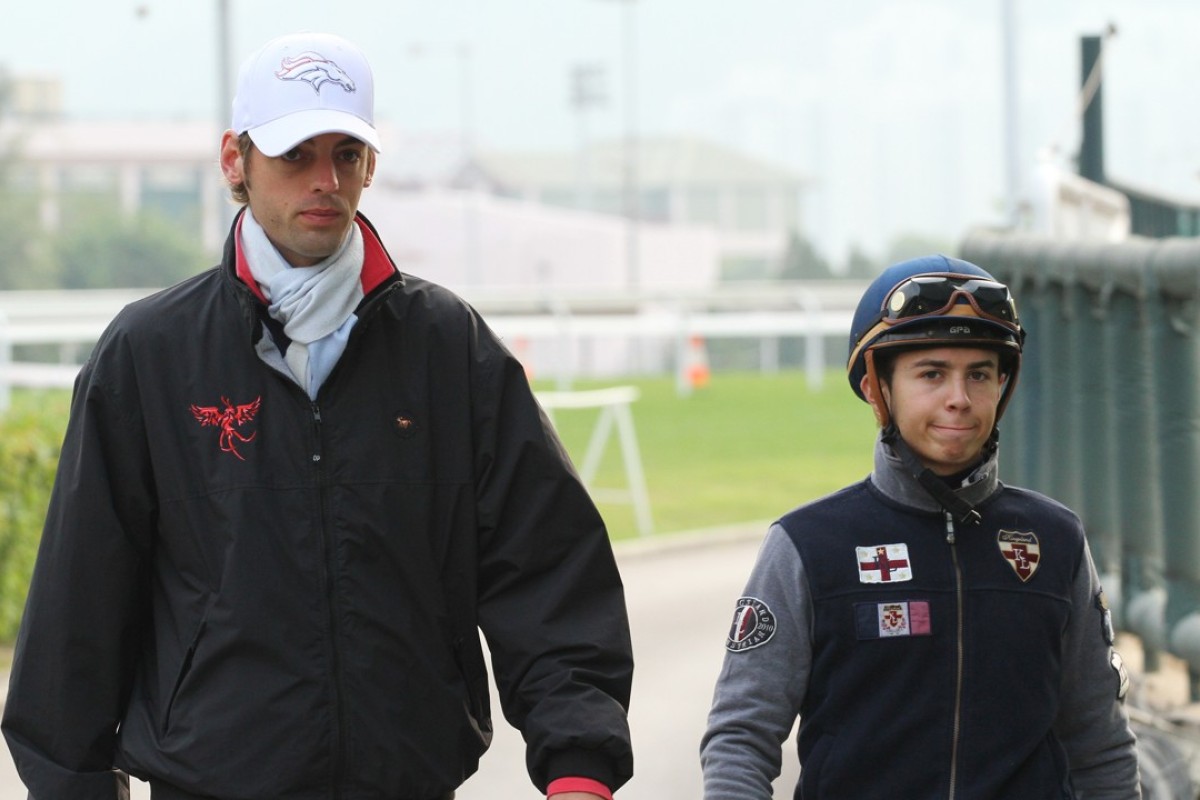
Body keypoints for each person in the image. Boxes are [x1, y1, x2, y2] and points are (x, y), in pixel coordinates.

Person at [2, 32, 633, 800]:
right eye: (296, 155)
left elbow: (546, 565)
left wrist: (579, 764)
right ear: (236, 160)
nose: (325, 180)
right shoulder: (149, 353)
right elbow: (80, 605)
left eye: (347, 154)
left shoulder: (448, 347)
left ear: (371, 166)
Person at [700, 255, 1141, 798]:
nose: (959, 397)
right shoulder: (807, 545)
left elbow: (1100, 746)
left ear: (1002, 386)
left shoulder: (1056, 541)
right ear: (875, 388)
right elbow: (741, 738)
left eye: (979, 374)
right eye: (931, 373)